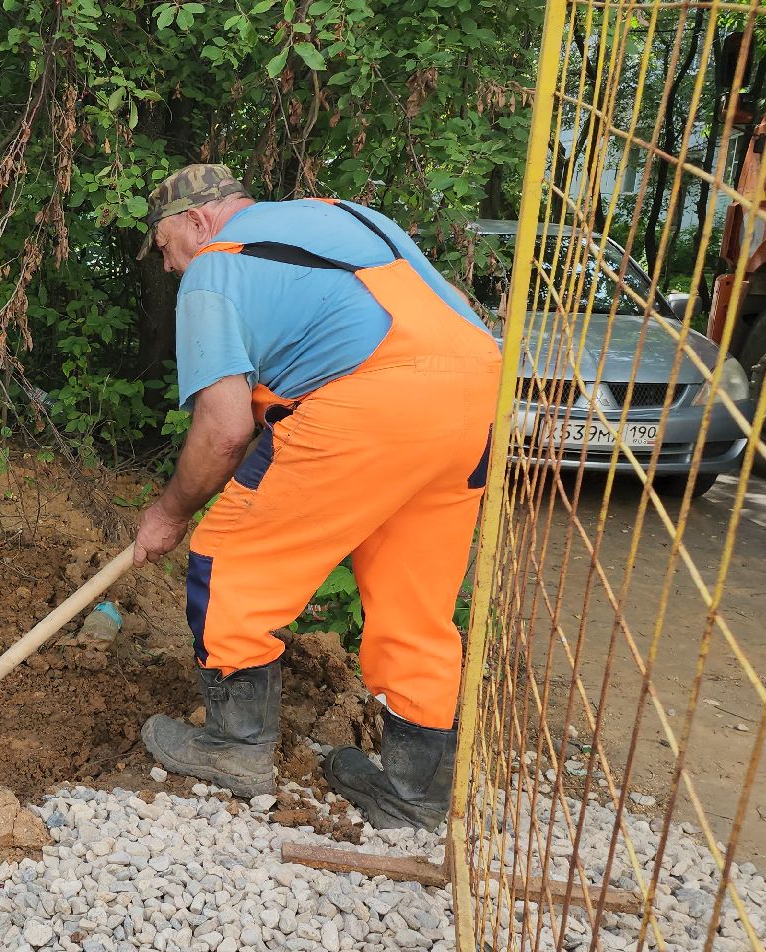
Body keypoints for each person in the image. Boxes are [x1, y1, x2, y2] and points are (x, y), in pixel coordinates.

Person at [131, 164, 501, 831]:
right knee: (415, 604)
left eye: (165, 247)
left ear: (196, 221)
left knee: (228, 560)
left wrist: (168, 513)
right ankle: (415, 795)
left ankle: (235, 748)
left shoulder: (216, 265)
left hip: (373, 400)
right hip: (476, 395)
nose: (169, 266)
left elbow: (224, 431)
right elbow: (448, 302)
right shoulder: (343, 215)